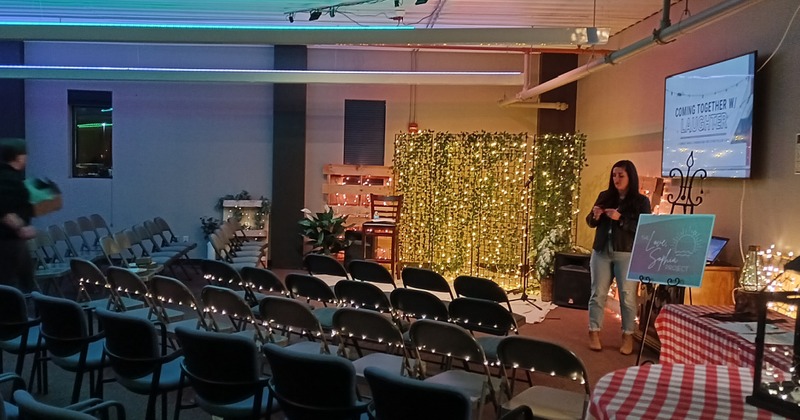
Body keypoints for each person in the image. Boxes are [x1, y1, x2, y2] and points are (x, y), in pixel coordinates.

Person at [586, 160, 651, 355]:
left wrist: (620, 219)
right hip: (601, 252)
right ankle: (594, 332)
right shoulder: (605, 196)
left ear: (630, 177)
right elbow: (590, 222)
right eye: (614, 175)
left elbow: (643, 228)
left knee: (627, 296)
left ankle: (628, 335)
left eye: (621, 175)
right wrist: (595, 216)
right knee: (597, 294)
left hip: (626, 253)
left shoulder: (641, 201)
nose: (616, 179)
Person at [0, 138, 37, 293]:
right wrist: (22, 228)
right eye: (25, 154)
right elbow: (3, 209)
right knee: (11, 286)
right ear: (18, 156)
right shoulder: (8, 179)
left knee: (23, 283)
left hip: (11, 241)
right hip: (8, 242)